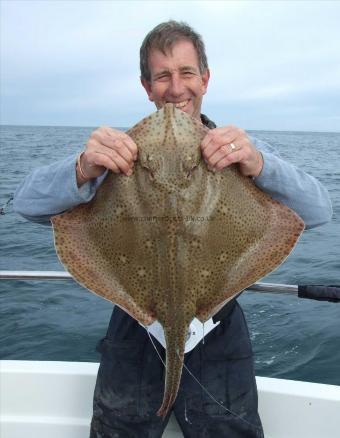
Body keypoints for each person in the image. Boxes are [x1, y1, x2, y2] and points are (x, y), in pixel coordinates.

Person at [14, 21, 332, 438]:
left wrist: (259, 164)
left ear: (205, 79)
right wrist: (84, 168)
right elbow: (27, 205)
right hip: (135, 329)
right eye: (163, 76)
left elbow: (318, 210)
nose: (176, 88)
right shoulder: (117, 154)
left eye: (186, 73)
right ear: (147, 87)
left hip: (218, 330)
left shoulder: (240, 152)